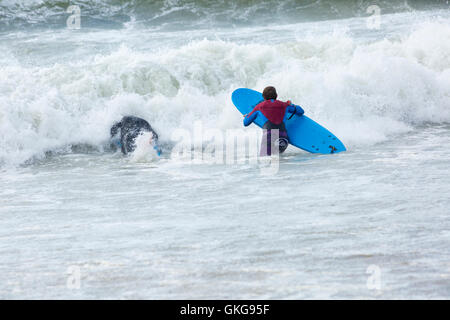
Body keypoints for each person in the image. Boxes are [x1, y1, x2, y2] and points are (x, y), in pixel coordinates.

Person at [243, 86, 304, 156]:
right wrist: (291, 104)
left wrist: (247, 116)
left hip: (269, 137)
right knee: (281, 161)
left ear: (263, 97)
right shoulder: (285, 105)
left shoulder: (259, 107)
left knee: (267, 162)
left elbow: (246, 123)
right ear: (276, 96)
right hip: (283, 137)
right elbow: (301, 111)